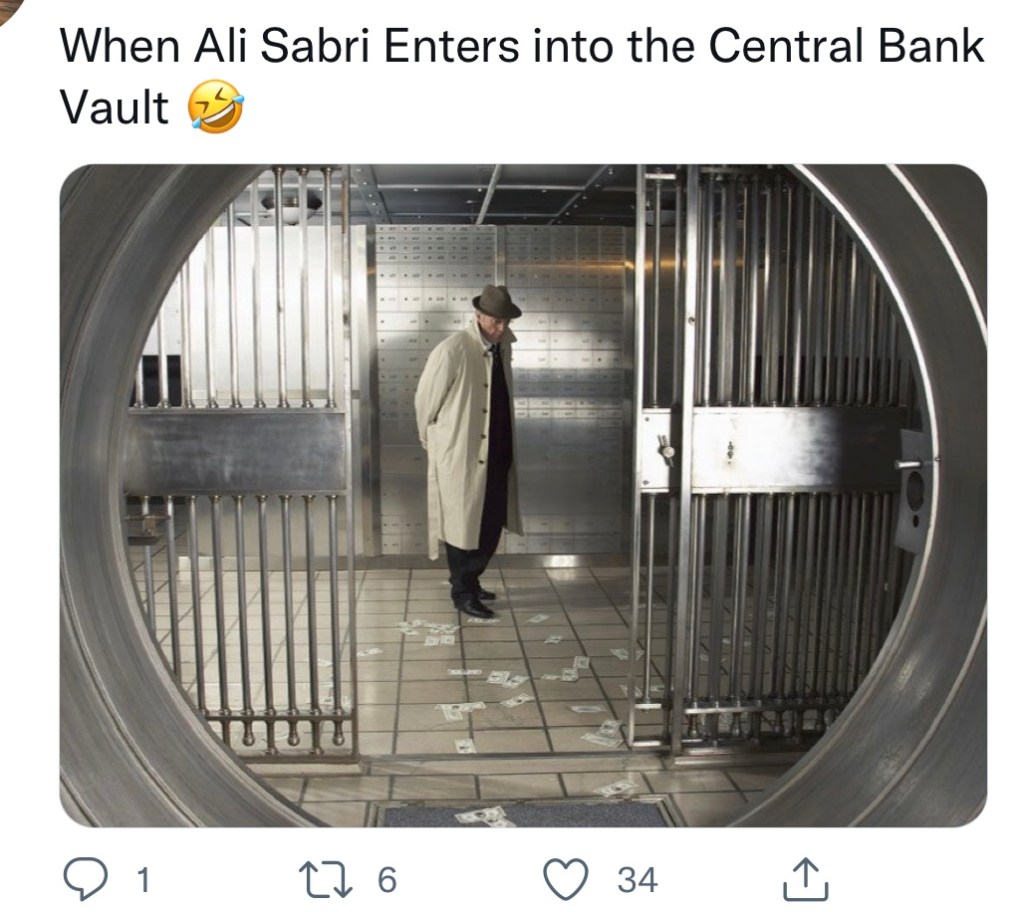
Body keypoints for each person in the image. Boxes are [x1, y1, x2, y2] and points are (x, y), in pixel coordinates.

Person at [414, 284, 524, 618]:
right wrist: (436, 443)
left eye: (505, 321)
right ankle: (462, 591)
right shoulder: (453, 349)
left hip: (498, 450)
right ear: (477, 315)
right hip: (461, 452)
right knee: (462, 522)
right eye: (495, 321)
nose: (501, 328)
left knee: (490, 520)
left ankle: (471, 580)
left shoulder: (503, 348)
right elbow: (425, 402)